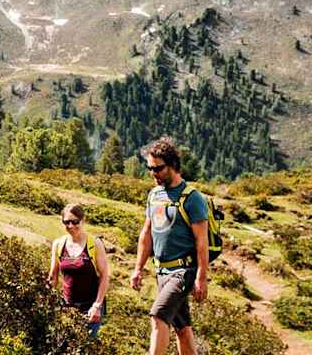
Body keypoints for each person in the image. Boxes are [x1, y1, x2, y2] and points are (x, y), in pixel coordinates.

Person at [129, 136, 210, 355]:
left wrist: (201, 277)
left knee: (158, 316)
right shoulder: (154, 195)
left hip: (183, 271)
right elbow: (146, 234)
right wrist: (138, 268)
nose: (152, 173)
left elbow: (202, 242)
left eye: (157, 169)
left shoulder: (193, 198)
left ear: (172, 165)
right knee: (182, 329)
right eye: (149, 168)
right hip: (162, 271)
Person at [46, 203, 111, 337]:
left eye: (75, 222)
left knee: (84, 346)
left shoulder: (94, 244)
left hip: (90, 307)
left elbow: (105, 276)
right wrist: (45, 301)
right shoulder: (58, 244)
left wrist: (97, 306)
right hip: (67, 306)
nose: (70, 226)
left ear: (83, 220)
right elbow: (53, 277)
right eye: (66, 222)